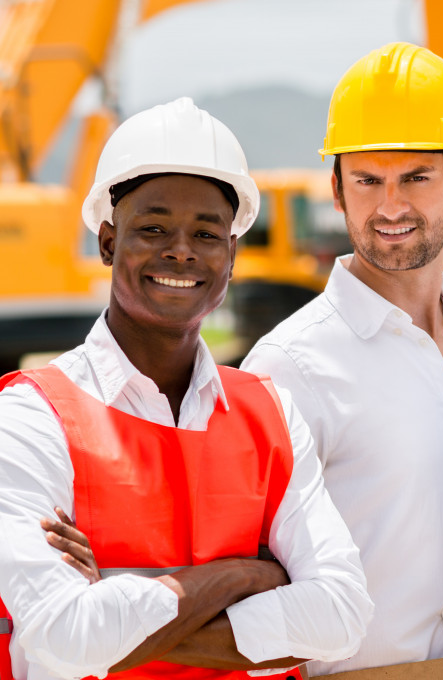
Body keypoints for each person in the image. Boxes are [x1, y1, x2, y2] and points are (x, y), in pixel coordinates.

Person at [0, 97, 373, 680]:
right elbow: (62, 635)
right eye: (152, 228)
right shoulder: (29, 417)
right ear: (106, 242)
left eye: (206, 232)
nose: (180, 250)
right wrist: (242, 576)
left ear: (231, 255)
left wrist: (118, 614)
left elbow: (343, 617)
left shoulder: (270, 412)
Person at [241, 43, 443, 678]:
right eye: (368, 180)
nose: (390, 206)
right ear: (336, 190)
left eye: (416, 177)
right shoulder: (287, 368)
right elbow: (249, 584)